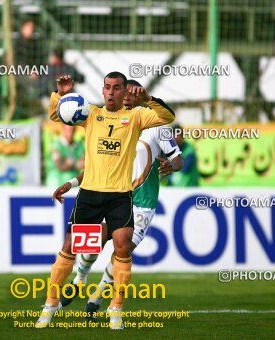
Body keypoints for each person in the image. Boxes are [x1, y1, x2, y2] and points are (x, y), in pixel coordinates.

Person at [36, 72, 175, 330]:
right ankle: (51, 302)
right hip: (89, 194)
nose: (111, 92)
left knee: (122, 247)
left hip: (120, 196)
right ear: (102, 91)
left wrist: (149, 99)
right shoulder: (91, 114)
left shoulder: (136, 117)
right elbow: (56, 115)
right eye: (107, 88)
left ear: (124, 92)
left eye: (116, 88)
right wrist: (61, 94)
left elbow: (168, 117)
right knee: (69, 247)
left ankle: (116, 309)